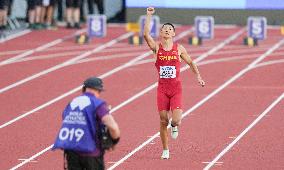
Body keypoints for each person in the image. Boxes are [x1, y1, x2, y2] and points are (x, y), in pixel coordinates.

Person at [143, 7, 205, 159]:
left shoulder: (179, 48)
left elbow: (191, 62)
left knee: (175, 119)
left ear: (173, 33)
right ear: (161, 33)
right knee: (163, 120)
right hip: (162, 89)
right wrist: (149, 15)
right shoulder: (157, 48)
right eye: (164, 29)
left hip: (176, 89)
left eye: (169, 29)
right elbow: (145, 34)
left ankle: (175, 126)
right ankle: (165, 149)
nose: (166, 30)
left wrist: (198, 76)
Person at [53, 77, 120, 170]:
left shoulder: (72, 103)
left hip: (71, 151)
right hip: (91, 152)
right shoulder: (98, 104)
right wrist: (115, 141)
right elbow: (113, 126)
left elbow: (65, 118)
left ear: (84, 89)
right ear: (98, 90)